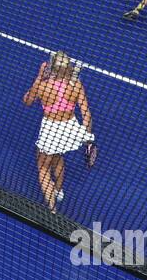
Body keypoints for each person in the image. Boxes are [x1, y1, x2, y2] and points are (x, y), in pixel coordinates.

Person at [22, 52, 95, 212]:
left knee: (43, 167)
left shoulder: (43, 86)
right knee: (57, 157)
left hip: (51, 130)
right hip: (69, 129)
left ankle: (53, 210)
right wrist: (88, 138)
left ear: (51, 67)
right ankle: (59, 191)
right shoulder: (76, 86)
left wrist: (39, 76)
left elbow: (27, 101)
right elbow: (86, 114)